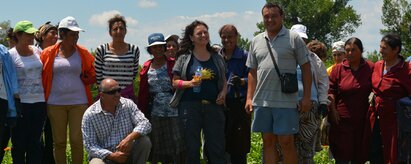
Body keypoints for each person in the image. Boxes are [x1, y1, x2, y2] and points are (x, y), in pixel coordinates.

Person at [245, 3, 312, 163]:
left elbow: (306, 68)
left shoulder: (294, 38)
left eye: (274, 16)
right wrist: (249, 98)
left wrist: (307, 97)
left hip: (286, 101)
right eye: (266, 16)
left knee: (286, 143)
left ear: (281, 17)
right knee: (268, 143)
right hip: (262, 100)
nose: (270, 19)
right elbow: (252, 72)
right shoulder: (255, 41)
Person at [170, 20, 227, 163]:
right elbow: (175, 82)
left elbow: (224, 80)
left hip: (213, 106)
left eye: (205, 32)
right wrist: (190, 83)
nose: (203, 35)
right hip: (189, 107)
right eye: (199, 33)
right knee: (191, 147)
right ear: (191, 37)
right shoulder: (183, 58)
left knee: (216, 147)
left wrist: (224, 93)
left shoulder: (217, 57)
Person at [40, 16, 96, 164]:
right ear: (62, 35)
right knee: (58, 142)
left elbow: (93, 73)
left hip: (79, 102)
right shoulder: (48, 53)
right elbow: (40, 75)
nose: (76, 37)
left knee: (77, 140)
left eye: (77, 34)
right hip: (55, 103)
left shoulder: (83, 52)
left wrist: (88, 78)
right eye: (72, 34)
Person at [137, 33, 185, 163]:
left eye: (160, 47)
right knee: (159, 143)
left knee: (177, 142)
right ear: (150, 50)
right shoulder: (147, 67)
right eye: (154, 47)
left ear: (164, 47)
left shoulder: (174, 63)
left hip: (174, 110)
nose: (157, 50)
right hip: (156, 112)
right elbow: (143, 92)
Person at [365, 34, 411, 163]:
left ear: (396, 49)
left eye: (384, 48)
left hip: (395, 121)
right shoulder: (378, 65)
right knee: (374, 151)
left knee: (393, 154)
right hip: (375, 116)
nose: (380, 51)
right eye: (380, 47)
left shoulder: (406, 69)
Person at [82, 78, 151, 164]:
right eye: (112, 92)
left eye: (118, 90)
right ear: (102, 95)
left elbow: (145, 123)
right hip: (106, 158)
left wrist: (129, 138)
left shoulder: (128, 104)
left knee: (144, 141)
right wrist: (112, 156)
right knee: (96, 163)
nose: (117, 94)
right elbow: (90, 146)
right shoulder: (90, 115)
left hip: (127, 154)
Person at [328, 37, 373, 163]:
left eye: (353, 50)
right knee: (342, 156)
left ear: (361, 51)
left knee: (359, 155)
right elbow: (330, 91)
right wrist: (333, 111)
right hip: (342, 120)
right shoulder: (338, 69)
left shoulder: (370, 67)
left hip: (363, 120)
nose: (350, 53)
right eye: (347, 50)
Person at [8, 20, 47, 164]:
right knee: (19, 143)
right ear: (18, 35)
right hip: (20, 104)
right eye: (28, 34)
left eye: (32, 33)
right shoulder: (10, 55)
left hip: (39, 102)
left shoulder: (38, 51)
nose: (32, 36)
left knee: (35, 142)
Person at [292, 27, 329, 162]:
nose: (299, 41)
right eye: (297, 38)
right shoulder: (284, 55)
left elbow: (323, 81)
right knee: (287, 145)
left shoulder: (313, 57)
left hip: (310, 108)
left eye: (302, 39)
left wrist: (323, 102)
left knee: (307, 146)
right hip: (288, 106)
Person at [217, 24, 250, 164]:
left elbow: (255, 78)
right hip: (219, 105)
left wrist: (242, 81)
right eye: (223, 37)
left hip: (239, 105)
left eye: (229, 36)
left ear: (236, 37)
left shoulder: (244, 55)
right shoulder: (216, 56)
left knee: (239, 144)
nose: (226, 40)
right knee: (220, 142)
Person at [95, 14, 140, 102]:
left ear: (126, 31)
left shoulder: (134, 50)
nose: (118, 31)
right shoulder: (102, 50)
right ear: (110, 32)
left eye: (121, 28)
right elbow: (98, 76)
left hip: (127, 96)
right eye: (115, 29)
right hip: (107, 96)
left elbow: (133, 74)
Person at [34, 21, 58, 164]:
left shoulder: (59, 54)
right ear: (42, 36)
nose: (56, 36)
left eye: (57, 34)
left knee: (52, 135)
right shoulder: (34, 53)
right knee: (36, 136)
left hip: (53, 99)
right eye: (52, 33)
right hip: (35, 99)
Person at [0, 44, 18, 163]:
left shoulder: (3, 51)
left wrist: (15, 92)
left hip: (2, 99)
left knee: (2, 139)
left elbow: (11, 73)